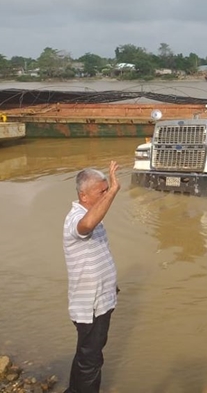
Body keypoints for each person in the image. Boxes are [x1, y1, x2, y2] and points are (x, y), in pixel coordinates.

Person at [64, 163, 121, 393]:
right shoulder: (76, 219)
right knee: (91, 360)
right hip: (90, 306)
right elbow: (85, 225)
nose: (106, 194)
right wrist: (115, 192)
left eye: (107, 190)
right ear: (84, 196)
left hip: (101, 300)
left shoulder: (92, 214)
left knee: (88, 354)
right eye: (102, 191)